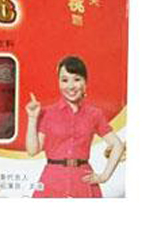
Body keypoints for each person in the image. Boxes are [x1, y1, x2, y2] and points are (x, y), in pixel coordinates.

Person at [26, 56, 124, 198]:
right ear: (59, 82)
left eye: (77, 79)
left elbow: (117, 145)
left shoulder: (94, 114)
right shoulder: (47, 113)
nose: (71, 86)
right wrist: (32, 118)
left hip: (83, 182)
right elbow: (32, 150)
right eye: (65, 80)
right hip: (52, 181)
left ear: (85, 82)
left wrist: (104, 176)